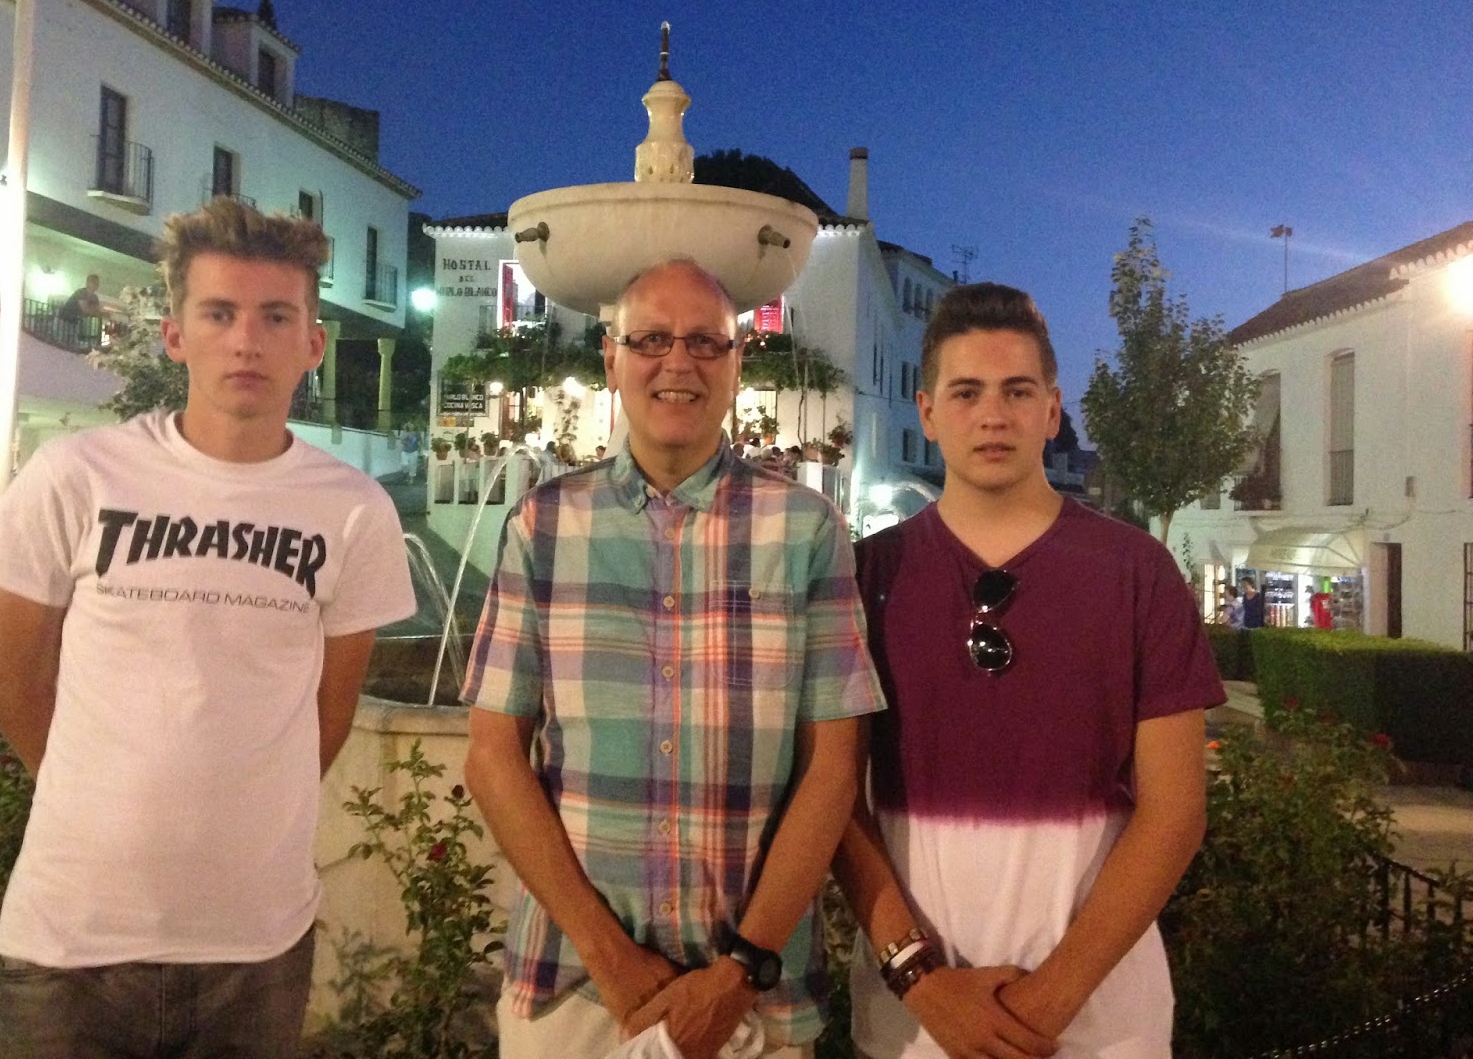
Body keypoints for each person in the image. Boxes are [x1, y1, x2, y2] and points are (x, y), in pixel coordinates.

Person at [0, 199, 416, 1059]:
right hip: (73, 938)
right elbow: (16, 684)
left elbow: (329, 713)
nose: (246, 341)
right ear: (176, 335)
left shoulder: (354, 511)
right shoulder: (76, 476)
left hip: (256, 942)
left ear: (312, 344)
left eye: (275, 317)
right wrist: (102, 804)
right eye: (218, 314)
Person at [463, 258, 885, 1059]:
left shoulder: (805, 530)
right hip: (575, 986)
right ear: (612, 359)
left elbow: (833, 770)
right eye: (651, 340)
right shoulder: (542, 526)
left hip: (753, 999)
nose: (678, 362)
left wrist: (738, 973)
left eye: (704, 342)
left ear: (736, 362)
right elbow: (492, 757)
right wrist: (610, 958)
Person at [833, 282, 1225, 1059]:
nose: (993, 415)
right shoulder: (864, 578)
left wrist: (1046, 1004)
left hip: (1101, 1030)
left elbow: (1175, 811)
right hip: (914, 1026)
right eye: (966, 392)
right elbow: (834, 802)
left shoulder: (1138, 573)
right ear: (927, 411)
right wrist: (924, 985)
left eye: (1017, 391)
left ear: (1052, 410)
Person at [57, 272, 109, 343]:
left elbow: (97, 309)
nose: (96, 285)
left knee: (72, 342)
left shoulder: (94, 298)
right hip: (63, 320)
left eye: (97, 283)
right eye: (93, 282)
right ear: (87, 283)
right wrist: (102, 314)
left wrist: (103, 313)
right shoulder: (81, 293)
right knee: (61, 341)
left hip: (75, 322)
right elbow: (86, 310)